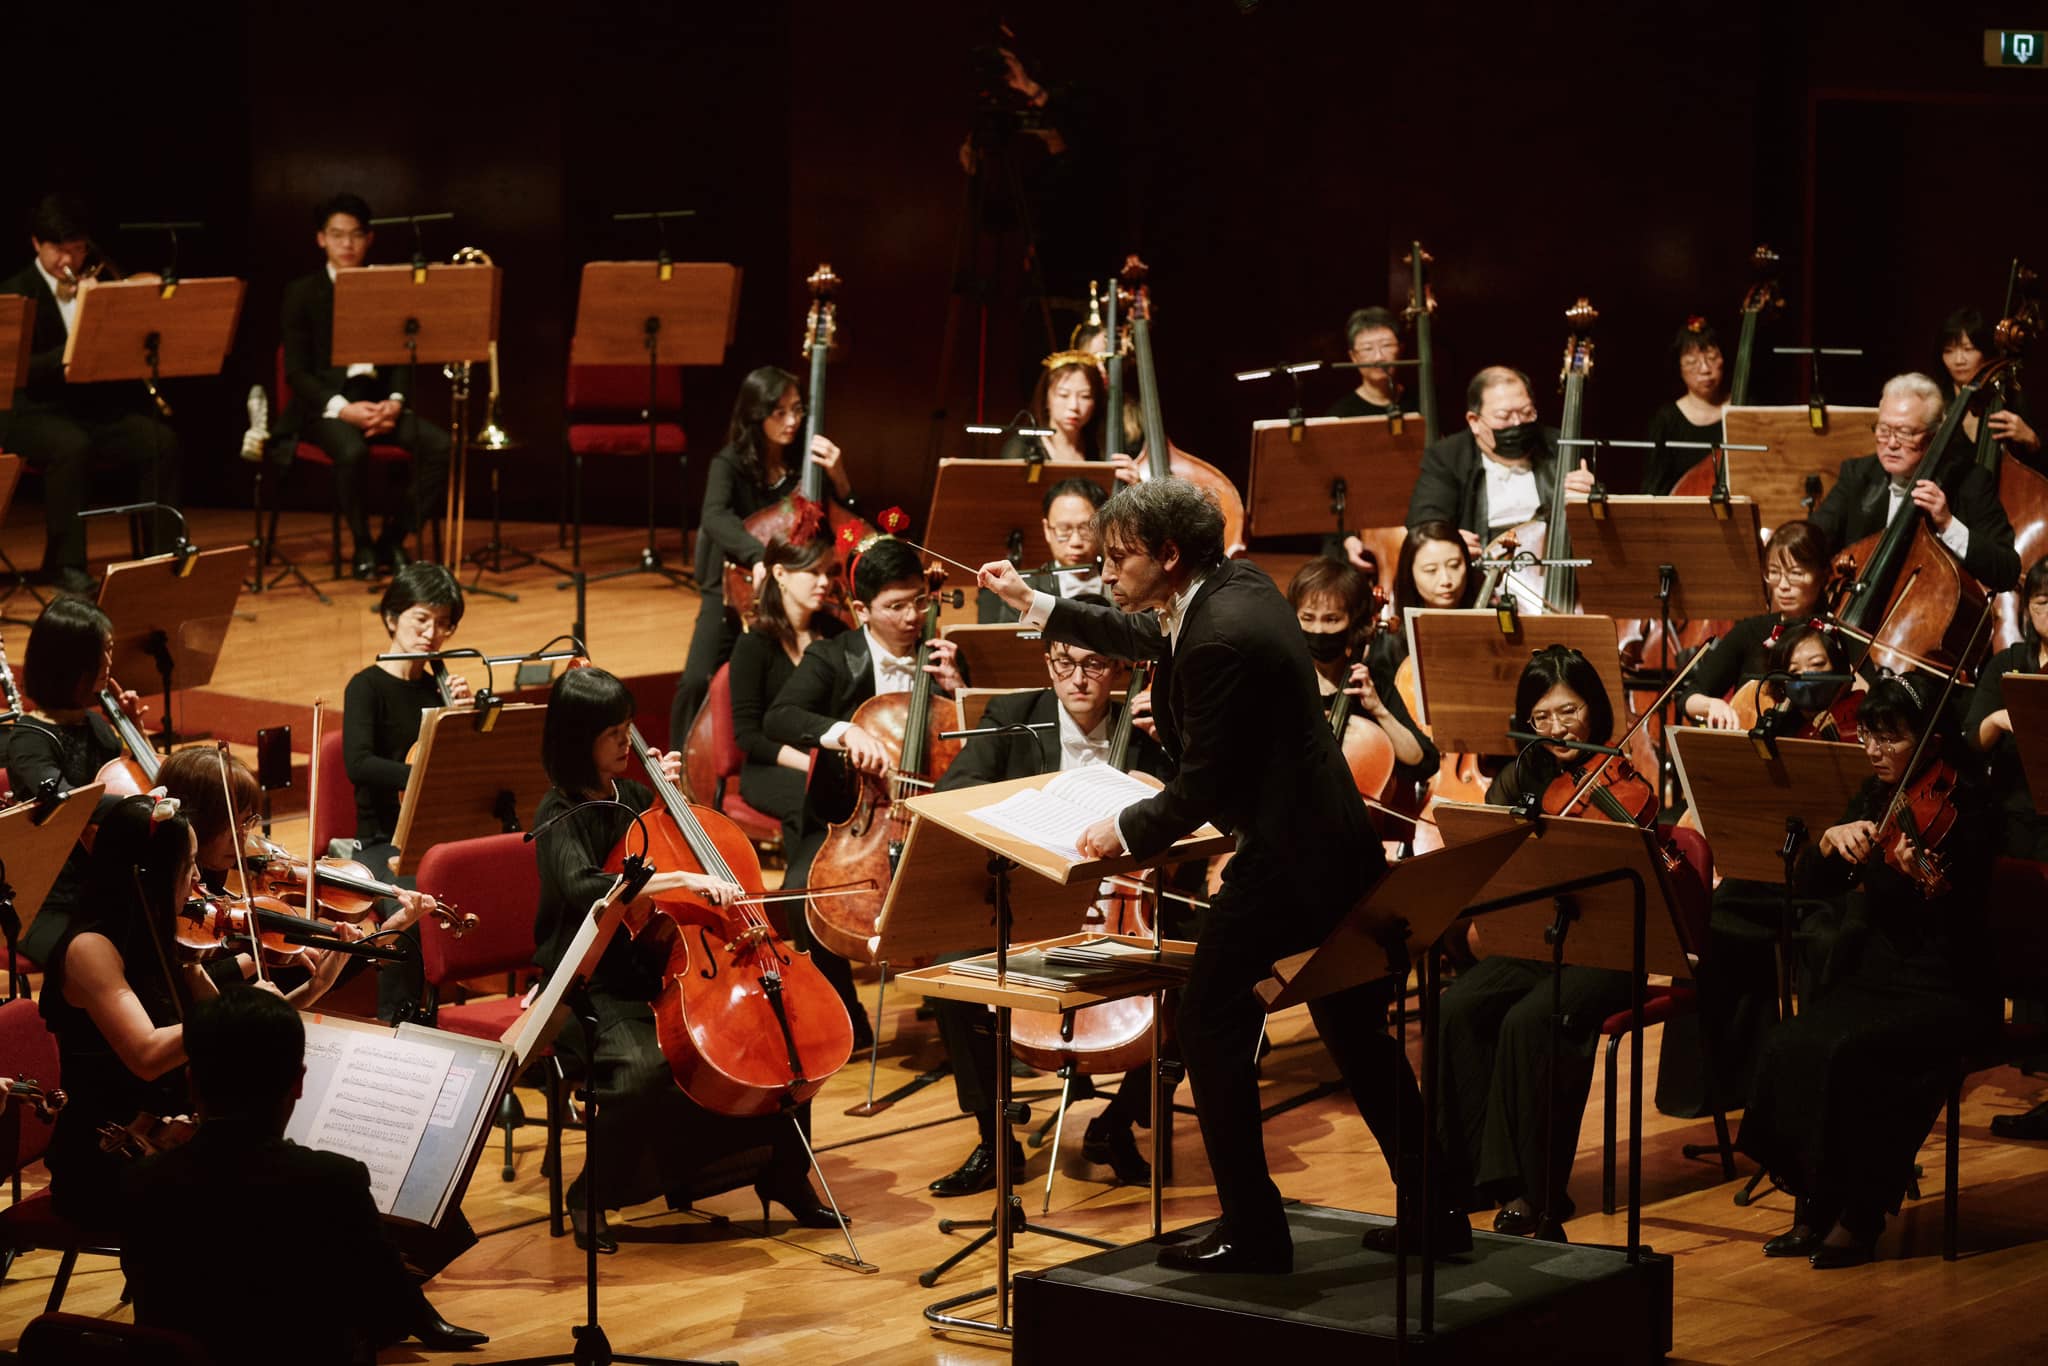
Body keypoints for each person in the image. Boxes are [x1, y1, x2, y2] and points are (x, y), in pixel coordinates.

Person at [979, 476, 1463, 1273]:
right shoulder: (1230, 584)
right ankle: (1437, 1208)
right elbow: (1147, 635)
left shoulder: (1221, 635)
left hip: (1290, 860)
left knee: (1208, 1018)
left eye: (1119, 559)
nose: (1106, 573)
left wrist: (1121, 827)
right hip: (1323, 847)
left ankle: (1255, 1229)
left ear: (1169, 556)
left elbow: (1200, 786)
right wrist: (1036, 603)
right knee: (1352, 1031)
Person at [532, 665, 835, 1252]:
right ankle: (591, 1195)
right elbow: (585, 887)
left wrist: (677, 803)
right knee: (644, 1072)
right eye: (613, 734)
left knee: (778, 1038)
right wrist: (676, 879)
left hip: (665, 966)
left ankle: (784, 1174)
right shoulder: (557, 813)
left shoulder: (636, 795)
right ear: (578, 738)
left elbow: (685, 846)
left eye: (627, 729)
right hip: (594, 980)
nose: (628, 743)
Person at [1739, 676, 1998, 1268]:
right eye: (1869, 737)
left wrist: (1925, 878)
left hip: (1949, 986)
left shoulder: (1973, 803)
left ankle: (1860, 1213)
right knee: (1793, 1041)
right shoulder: (1874, 796)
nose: (1876, 750)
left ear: (1929, 739)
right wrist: (1829, 845)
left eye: (1891, 738)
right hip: (1879, 977)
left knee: (1854, 1052)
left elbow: (1966, 916)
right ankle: (1813, 1201)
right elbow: (1813, 887)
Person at [925, 602, 1174, 1197]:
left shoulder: (1147, 731)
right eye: (1065, 664)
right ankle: (994, 1137)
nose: (1080, 680)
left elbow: (1200, 808)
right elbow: (952, 795)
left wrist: (1173, 746)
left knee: (1193, 980)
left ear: (1119, 668)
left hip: (1122, 907)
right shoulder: (1015, 716)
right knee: (953, 979)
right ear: (1048, 663)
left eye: (1094, 665)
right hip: (1028, 906)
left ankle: (1116, 1125)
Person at [121, 987, 485, 1363]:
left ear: (191, 1081)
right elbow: (387, 1308)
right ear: (299, 1081)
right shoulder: (333, 1181)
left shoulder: (142, 1180)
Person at [37, 797, 347, 1230]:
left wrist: (311, 992)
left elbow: (223, 1037)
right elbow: (147, 1055)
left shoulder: (163, 938)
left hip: (170, 1144)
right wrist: (243, 1007)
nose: (199, 878)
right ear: (147, 876)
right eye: (189, 865)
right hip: (109, 1156)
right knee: (283, 1202)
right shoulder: (91, 950)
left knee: (299, 1186)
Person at [1434, 646, 1652, 1239]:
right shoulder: (1520, 773)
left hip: (1608, 949)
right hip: (1538, 939)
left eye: (1569, 711)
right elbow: (1492, 865)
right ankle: (1470, 1174)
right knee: (1456, 1006)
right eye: (1542, 717)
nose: (1558, 729)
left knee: (1529, 1021)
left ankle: (1538, 1191)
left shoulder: (1624, 775)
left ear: (1595, 707)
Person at [762, 535, 964, 1030]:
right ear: (861, 609)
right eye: (895, 607)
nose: (913, 617)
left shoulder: (943, 657)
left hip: (933, 816)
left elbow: (977, 740)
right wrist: (845, 730)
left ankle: (960, 1013)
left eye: (919, 601)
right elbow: (779, 717)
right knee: (801, 893)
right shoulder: (832, 657)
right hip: (849, 819)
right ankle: (844, 1016)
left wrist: (962, 693)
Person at [0, 192, 183, 593]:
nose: (69, 261)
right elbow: (14, 371)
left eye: (78, 249)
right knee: (71, 445)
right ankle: (65, 564)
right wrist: (70, 351)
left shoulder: (97, 283)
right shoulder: (15, 291)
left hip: (88, 411)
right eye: (58, 251)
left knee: (159, 440)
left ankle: (163, 556)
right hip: (30, 412)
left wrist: (110, 313)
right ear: (36, 244)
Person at [673, 365, 857, 745]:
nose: (793, 421)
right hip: (733, 584)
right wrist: (758, 557)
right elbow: (714, 516)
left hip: (795, 589)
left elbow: (840, 513)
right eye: (780, 412)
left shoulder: (805, 460)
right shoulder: (731, 462)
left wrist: (839, 477)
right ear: (757, 414)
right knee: (695, 678)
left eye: (798, 409)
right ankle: (675, 767)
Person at [276, 192, 454, 580]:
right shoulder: (302, 294)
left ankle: (394, 537)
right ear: (321, 238)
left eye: (356, 235)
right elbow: (297, 373)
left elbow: (404, 354)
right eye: (337, 235)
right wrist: (343, 408)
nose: (347, 244)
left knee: (440, 445)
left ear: (369, 238)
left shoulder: (386, 286)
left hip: (378, 403)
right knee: (352, 451)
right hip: (327, 409)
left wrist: (394, 400)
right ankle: (361, 545)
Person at [2, 596, 140, 964]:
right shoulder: (29, 741)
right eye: (102, 652)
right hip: (48, 904)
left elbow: (128, 783)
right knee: (109, 961)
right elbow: (73, 804)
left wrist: (137, 737)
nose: (109, 663)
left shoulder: (95, 724)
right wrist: (150, 807)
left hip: (104, 890)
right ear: (71, 662)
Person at [1810, 372, 2021, 594]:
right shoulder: (1858, 474)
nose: (1891, 443)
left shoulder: (1969, 481)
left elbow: (2007, 571)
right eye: (1883, 430)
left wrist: (1948, 524)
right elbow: (1814, 540)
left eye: (1905, 433)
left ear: (1934, 436)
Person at [728, 536, 848, 880]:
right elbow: (748, 736)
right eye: (812, 572)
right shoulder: (754, 645)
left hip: (830, 762)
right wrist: (810, 764)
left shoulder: (837, 634)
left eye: (828, 572)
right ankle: (805, 899)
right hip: (771, 767)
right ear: (780, 573)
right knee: (809, 803)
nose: (824, 582)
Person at [1405, 365, 1597, 557]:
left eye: (1526, 412)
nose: (1516, 423)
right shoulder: (1448, 456)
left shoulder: (1560, 446)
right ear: (1474, 421)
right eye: (1503, 416)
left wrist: (1587, 498)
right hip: (1481, 571)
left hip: (1549, 561)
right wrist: (1448, 539)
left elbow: (1597, 523)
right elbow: (1425, 524)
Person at [1285, 558, 1435, 791]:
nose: (1317, 629)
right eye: (1307, 618)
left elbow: (1423, 761)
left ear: (1353, 623)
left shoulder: (1370, 683)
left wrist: (1378, 709)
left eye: (1331, 619)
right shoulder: (1285, 679)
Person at [1676, 519, 1834, 728]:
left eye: (1796, 574)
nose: (1783, 586)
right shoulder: (1750, 631)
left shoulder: (1834, 634)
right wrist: (1712, 705)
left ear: (1822, 575)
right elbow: (1689, 697)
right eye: (1774, 572)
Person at [1967, 555, 2048, 863]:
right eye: (2043, 601)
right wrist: (1998, 719)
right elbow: (1973, 740)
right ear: (2027, 608)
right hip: (2015, 809)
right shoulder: (2007, 664)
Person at [977, 475, 1108, 622]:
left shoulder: (1118, 582)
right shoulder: (1023, 589)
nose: (1075, 542)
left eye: (1086, 528)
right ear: (1047, 530)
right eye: (1064, 529)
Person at [1937, 305, 2039, 471]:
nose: (1958, 360)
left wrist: (2031, 440)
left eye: (1968, 349)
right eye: (1948, 351)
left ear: (1985, 351)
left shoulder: (2010, 397)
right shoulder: (1935, 401)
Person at [1642, 317, 1729, 494]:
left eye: (1712, 358)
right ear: (1679, 367)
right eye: (1692, 362)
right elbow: (1653, 488)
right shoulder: (1667, 420)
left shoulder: (1743, 408)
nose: (1705, 369)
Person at [1326, 306, 1414, 419]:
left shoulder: (1423, 401)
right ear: (1353, 357)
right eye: (1368, 348)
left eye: (1386, 345)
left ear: (1400, 349)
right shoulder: (1341, 414)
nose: (1379, 357)